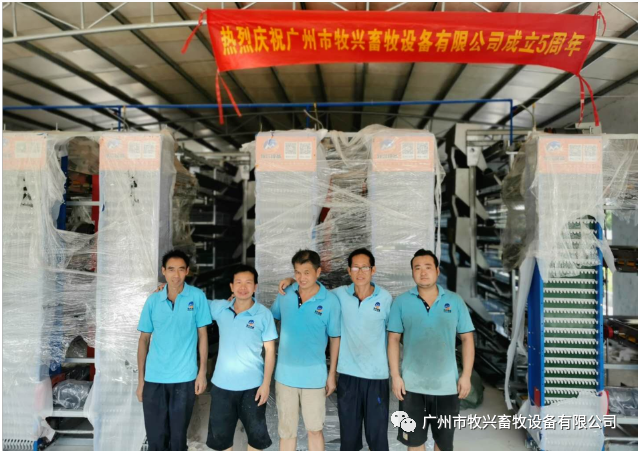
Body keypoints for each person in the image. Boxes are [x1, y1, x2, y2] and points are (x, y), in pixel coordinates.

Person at [279, 248, 392, 451]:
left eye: (364, 267)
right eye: (355, 267)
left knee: (378, 439)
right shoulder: (338, 296)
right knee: (349, 440)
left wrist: (397, 375)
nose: (360, 272)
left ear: (373, 270)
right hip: (347, 376)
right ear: (349, 271)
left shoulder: (385, 299)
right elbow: (310, 287)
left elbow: (394, 337)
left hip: (376, 377)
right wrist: (292, 280)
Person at [387, 249, 475, 451]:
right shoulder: (401, 302)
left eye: (428, 267)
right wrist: (396, 376)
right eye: (417, 268)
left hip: (447, 385)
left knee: (443, 443)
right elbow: (393, 339)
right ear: (412, 272)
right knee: (414, 442)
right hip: (411, 386)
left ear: (437, 270)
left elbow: (467, 338)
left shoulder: (455, 301)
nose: (423, 272)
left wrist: (466, 375)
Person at [137, 250, 212, 451]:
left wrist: (202, 373)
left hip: (184, 378)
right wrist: (141, 381)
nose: (176, 275)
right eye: (171, 269)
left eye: (180, 269)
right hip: (154, 379)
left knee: (178, 439)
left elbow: (203, 335)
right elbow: (144, 340)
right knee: (156, 439)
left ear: (187, 271)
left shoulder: (197, 297)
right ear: (163, 271)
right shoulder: (153, 300)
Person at [271, 249, 341, 451]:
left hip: (314, 377)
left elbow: (335, 338)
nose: (302, 278)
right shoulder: (285, 294)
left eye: (307, 272)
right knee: (287, 432)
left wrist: (332, 374)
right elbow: (270, 321)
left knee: (315, 430)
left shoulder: (330, 301)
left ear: (318, 272)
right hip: (285, 376)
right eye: (297, 272)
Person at [207, 264, 278, 451]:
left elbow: (270, 351)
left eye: (248, 282)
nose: (243, 287)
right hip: (222, 386)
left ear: (255, 287)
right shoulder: (220, 308)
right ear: (231, 286)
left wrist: (266, 384)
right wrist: (169, 289)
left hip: (253, 388)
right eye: (238, 282)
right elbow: (194, 301)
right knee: (221, 442)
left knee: (256, 440)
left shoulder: (263, 314)